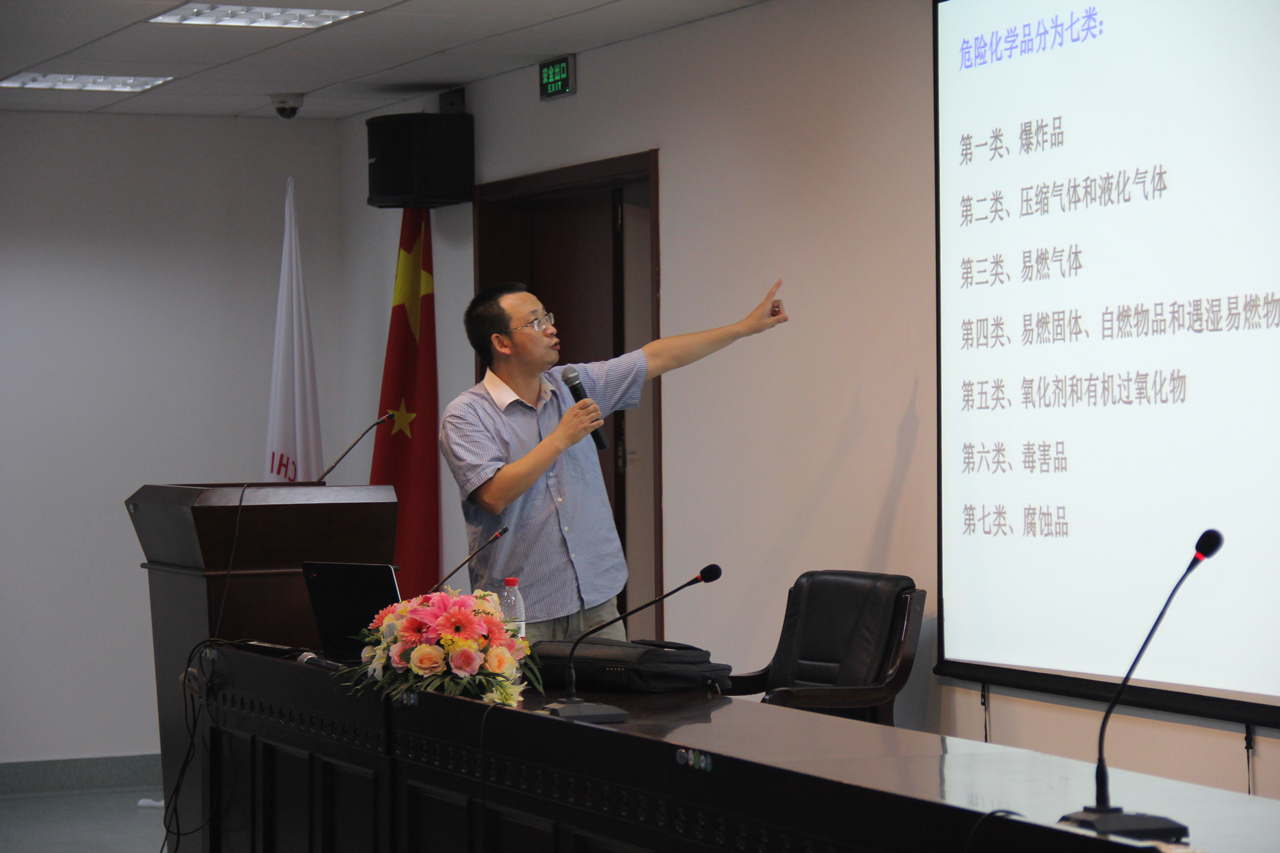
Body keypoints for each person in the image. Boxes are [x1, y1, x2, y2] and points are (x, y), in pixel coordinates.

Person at [439, 280, 788, 642]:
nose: (551, 328)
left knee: (612, 683)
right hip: (520, 611)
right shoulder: (467, 415)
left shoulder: (572, 384)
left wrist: (744, 327)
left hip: (596, 601)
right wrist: (560, 438)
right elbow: (493, 495)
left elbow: (656, 357)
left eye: (548, 317)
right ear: (501, 343)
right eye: (536, 322)